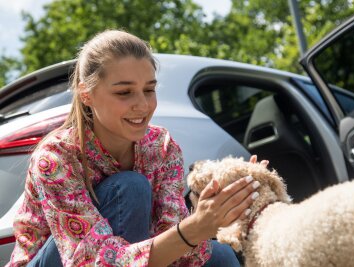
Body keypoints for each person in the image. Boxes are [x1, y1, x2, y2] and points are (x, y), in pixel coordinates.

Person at [6, 30, 262, 267]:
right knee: (129, 188)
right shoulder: (56, 157)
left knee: (221, 257)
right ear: (86, 94)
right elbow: (93, 260)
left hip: (128, 257)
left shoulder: (162, 148)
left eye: (149, 89)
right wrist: (193, 229)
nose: (142, 104)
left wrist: (218, 209)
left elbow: (175, 240)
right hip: (70, 260)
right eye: (125, 92)